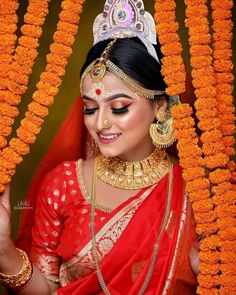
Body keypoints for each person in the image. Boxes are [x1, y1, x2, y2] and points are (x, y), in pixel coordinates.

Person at [0, 0, 199, 294]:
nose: (101, 123)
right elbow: (47, 290)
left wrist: (205, 272)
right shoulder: (63, 185)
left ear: (159, 106)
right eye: (91, 108)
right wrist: (3, 251)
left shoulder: (196, 191)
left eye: (118, 107)